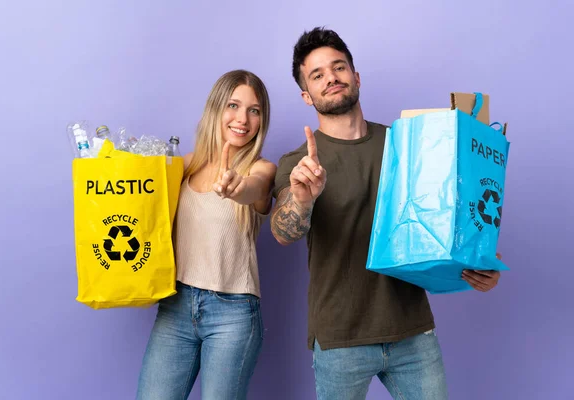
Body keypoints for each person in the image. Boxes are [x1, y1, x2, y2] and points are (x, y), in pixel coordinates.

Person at [270, 27, 501, 400]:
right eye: (317, 75)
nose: (331, 77)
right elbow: (283, 231)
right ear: (306, 95)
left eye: (339, 67)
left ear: (356, 76)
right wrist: (302, 199)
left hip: (412, 332)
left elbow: (446, 217)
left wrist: (481, 260)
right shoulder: (299, 162)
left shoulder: (407, 144)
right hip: (340, 338)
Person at [137, 69, 276, 400]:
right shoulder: (184, 166)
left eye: (254, 110)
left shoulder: (261, 169)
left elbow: (253, 189)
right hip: (176, 306)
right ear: (216, 108)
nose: (243, 118)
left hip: (233, 313)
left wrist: (236, 187)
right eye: (233, 105)